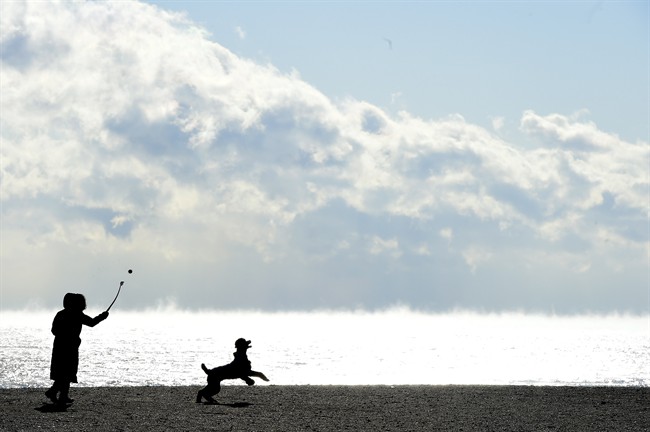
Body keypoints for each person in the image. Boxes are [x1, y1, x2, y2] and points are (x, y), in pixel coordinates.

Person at [45, 293, 109, 405]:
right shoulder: (78, 315)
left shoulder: (60, 314)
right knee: (68, 372)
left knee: (62, 372)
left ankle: (60, 395)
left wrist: (63, 335)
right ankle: (56, 393)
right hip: (71, 348)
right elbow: (92, 323)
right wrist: (102, 316)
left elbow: (54, 330)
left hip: (59, 347)